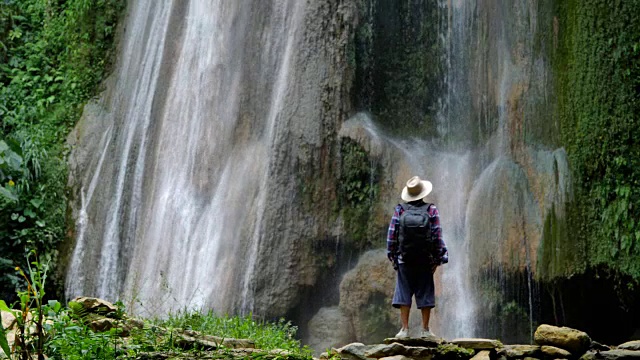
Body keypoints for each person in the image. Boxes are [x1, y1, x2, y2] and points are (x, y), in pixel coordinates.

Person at [387, 175, 448, 338]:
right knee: (425, 292)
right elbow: (437, 235)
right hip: (425, 260)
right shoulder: (431, 210)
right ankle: (425, 330)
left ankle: (404, 330)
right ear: (422, 193)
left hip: (404, 259)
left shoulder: (400, 209)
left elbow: (392, 235)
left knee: (403, 292)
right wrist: (438, 259)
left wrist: (393, 256)